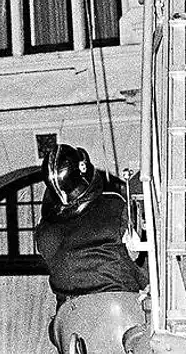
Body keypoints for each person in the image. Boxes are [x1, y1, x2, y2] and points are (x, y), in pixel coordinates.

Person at [34, 144, 148, 354]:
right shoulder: (116, 207)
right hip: (123, 319)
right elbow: (143, 271)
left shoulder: (44, 231)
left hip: (69, 326)